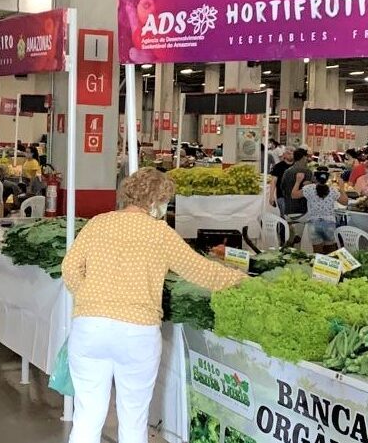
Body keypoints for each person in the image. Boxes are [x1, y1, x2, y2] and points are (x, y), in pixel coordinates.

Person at [61, 167, 246, 443]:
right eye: (164, 201)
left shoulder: (98, 223)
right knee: (133, 419)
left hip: (89, 327)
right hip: (137, 333)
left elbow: (69, 268)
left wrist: (89, 296)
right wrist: (242, 280)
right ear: (154, 201)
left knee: (87, 415)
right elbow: (202, 272)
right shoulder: (160, 233)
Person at [292, 167, 347, 253]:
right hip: (329, 222)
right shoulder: (332, 190)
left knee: (317, 252)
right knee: (331, 250)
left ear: (315, 178)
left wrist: (298, 181)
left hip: (313, 223)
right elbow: (345, 202)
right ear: (327, 178)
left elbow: (294, 195)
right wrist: (342, 187)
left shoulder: (309, 189)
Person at [281, 148, 311, 216]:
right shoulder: (308, 172)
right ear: (303, 158)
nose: (307, 160)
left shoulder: (287, 172)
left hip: (288, 209)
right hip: (303, 211)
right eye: (306, 157)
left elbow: (282, 188)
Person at [269, 147, 295, 211]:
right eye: (288, 153)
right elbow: (273, 181)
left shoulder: (297, 166)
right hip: (282, 196)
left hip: (295, 197)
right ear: (284, 155)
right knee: (284, 217)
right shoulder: (278, 166)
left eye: (292, 153)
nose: (290, 155)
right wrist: (271, 196)